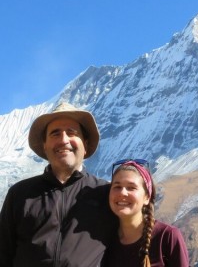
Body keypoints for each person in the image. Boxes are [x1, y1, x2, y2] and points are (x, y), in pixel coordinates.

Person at [0, 102, 117, 267]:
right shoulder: (20, 194)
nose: (64, 140)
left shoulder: (105, 194)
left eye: (72, 132)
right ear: (45, 146)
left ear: (85, 144)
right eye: (55, 134)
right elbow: (3, 254)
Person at [103, 159, 190, 267]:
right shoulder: (103, 241)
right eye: (117, 187)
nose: (122, 193)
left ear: (147, 197)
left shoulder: (167, 237)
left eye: (131, 187)